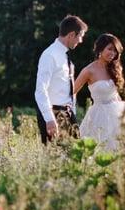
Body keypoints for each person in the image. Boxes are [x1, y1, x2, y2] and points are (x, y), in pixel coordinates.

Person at [73, 33, 125, 160]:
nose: (112, 53)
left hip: (117, 113)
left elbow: (115, 93)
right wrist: (72, 112)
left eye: (115, 50)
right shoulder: (88, 70)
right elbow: (73, 91)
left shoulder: (114, 68)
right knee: (98, 148)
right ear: (100, 49)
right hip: (98, 114)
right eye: (109, 49)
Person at [35, 15, 88, 144]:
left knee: (76, 157)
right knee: (55, 159)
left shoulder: (64, 56)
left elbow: (67, 90)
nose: (80, 41)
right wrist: (49, 119)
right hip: (53, 114)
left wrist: (73, 113)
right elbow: (40, 90)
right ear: (71, 35)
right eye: (80, 36)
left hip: (68, 113)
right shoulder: (49, 55)